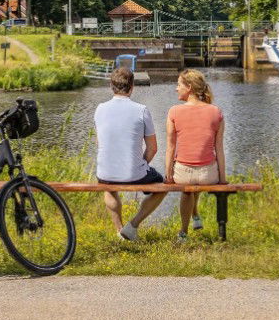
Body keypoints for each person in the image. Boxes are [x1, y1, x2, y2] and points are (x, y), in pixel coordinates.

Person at [94, 67, 166, 241]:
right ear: (132, 86)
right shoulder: (141, 110)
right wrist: (140, 164)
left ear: (111, 86)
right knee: (163, 187)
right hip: (135, 173)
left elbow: (100, 143)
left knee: (109, 188)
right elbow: (152, 148)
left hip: (105, 173)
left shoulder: (100, 109)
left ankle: (120, 231)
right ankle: (132, 225)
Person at [164, 69, 225, 240]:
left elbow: (170, 147)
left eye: (178, 85)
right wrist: (223, 178)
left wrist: (168, 175)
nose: (176, 88)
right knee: (195, 179)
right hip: (209, 175)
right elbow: (219, 148)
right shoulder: (216, 112)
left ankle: (183, 232)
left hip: (183, 174)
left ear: (189, 87)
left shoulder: (174, 111)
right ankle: (195, 214)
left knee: (187, 188)